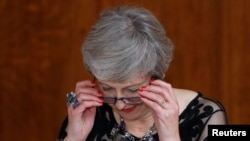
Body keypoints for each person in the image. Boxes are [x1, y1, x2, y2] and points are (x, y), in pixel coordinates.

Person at [57, 6, 227, 141]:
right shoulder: (89, 111)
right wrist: (74, 137)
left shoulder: (208, 116)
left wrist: (170, 137)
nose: (120, 105)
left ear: (159, 76)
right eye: (106, 88)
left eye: (132, 91)